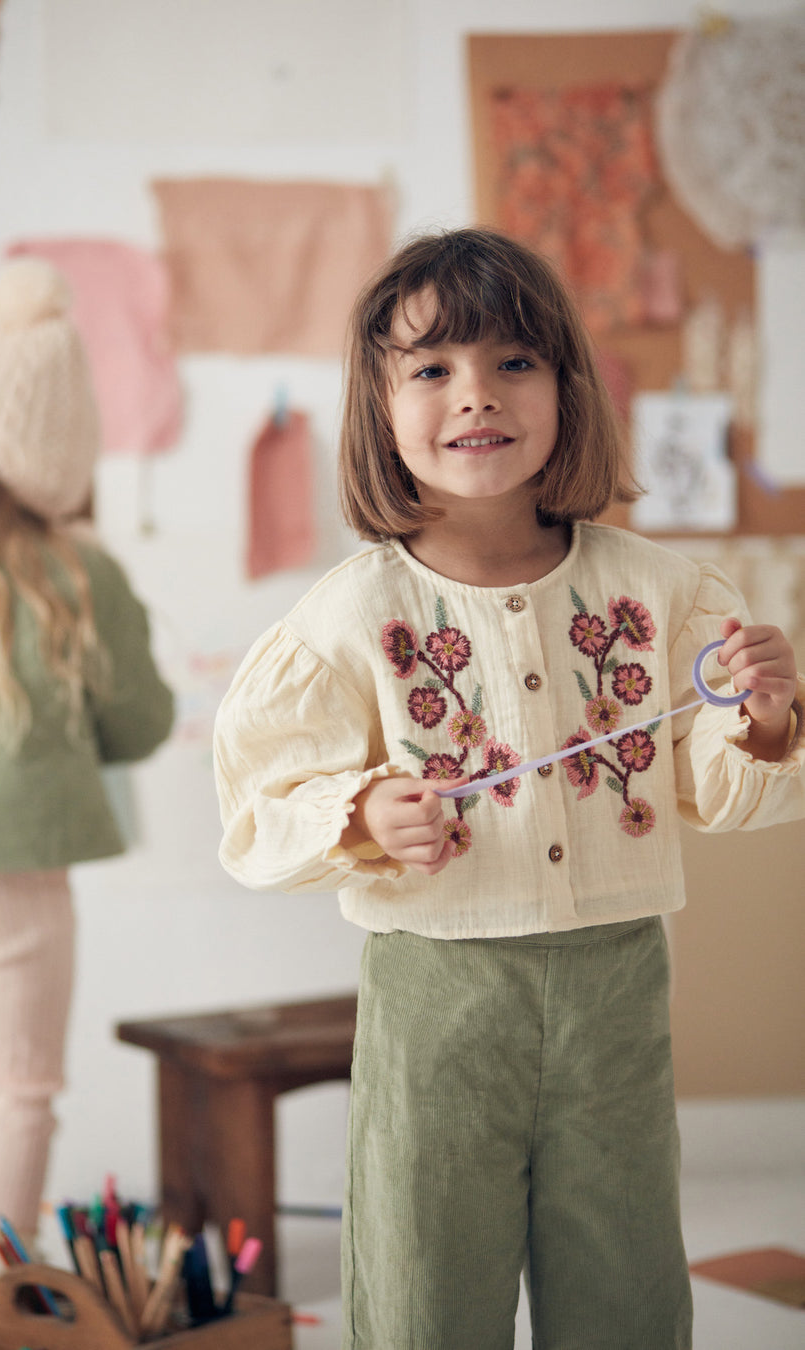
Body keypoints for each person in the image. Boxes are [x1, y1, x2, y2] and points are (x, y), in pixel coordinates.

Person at [213, 228, 804, 1349]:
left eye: (513, 362)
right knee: (425, 1286)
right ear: (380, 410)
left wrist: (765, 721)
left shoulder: (663, 589)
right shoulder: (348, 616)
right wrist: (359, 815)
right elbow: (257, 810)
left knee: (624, 1284)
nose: (475, 396)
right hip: (436, 1002)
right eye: (432, 369)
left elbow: (721, 790)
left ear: (567, 385)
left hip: (615, 989)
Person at [0, 258, 174, 1305]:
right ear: (62, 455)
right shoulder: (74, 570)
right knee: (20, 1088)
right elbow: (142, 721)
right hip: (11, 877)